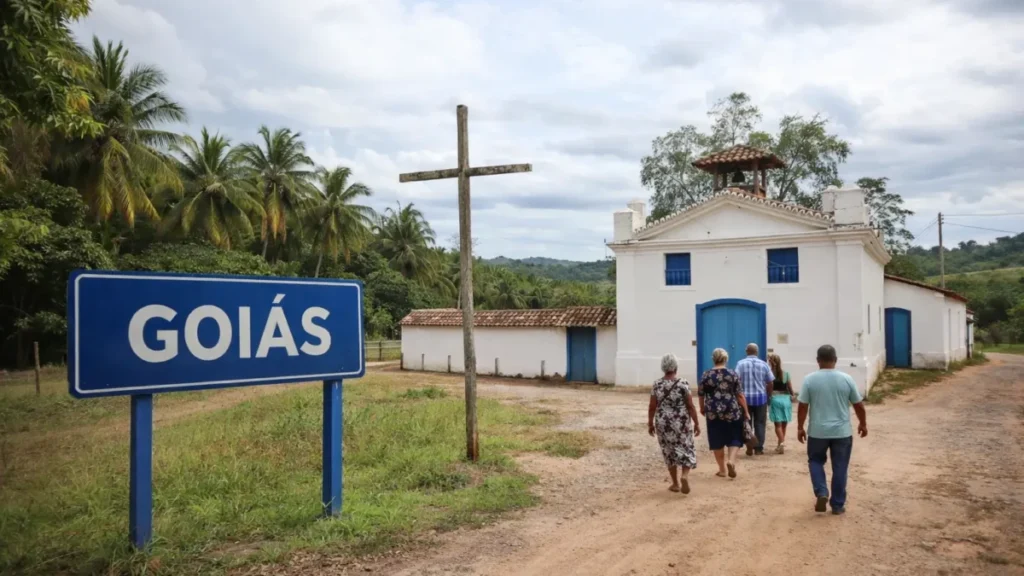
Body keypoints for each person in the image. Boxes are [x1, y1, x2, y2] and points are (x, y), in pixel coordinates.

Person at [797, 344, 868, 515]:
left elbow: (802, 406)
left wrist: (800, 427)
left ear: (817, 361)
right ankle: (837, 504)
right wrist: (862, 423)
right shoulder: (846, 379)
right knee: (840, 467)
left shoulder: (809, 380)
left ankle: (821, 492)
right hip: (842, 432)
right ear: (835, 360)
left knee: (815, 461)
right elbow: (858, 405)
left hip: (817, 431)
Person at [648, 353, 700, 494]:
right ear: (676, 367)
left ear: (663, 367)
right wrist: (697, 423)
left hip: (663, 422)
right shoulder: (683, 383)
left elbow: (652, 406)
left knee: (669, 450)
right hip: (681, 421)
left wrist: (650, 424)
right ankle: (684, 476)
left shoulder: (657, 384)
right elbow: (690, 405)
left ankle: (675, 483)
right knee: (686, 447)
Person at [698, 348, 750, 479]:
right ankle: (731, 461)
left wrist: (702, 408)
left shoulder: (706, 375)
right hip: (731, 410)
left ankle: (722, 469)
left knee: (716, 438)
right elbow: (740, 395)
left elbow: (701, 394)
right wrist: (746, 411)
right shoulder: (732, 374)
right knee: (735, 436)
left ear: (713, 359)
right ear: (726, 359)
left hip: (713, 411)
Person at [735, 343, 775, 456]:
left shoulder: (740, 364)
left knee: (746, 424)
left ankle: (749, 446)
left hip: (745, 400)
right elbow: (770, 382)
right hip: (761, 399)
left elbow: (736, 379)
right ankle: (759, 448)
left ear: (746, 351)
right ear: (757, 352)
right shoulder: (764, 365)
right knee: (760, 423)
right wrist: (768, 395)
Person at [767, 353, 796, 454]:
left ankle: (781, 443)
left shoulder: (769, 374)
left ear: (770, 362)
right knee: (784, 425)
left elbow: (769, 387)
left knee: (777, 425)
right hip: (786, 399)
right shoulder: (786, 374)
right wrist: (793, 396)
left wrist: (769, 396)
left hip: (775, 399)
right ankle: (780, 444)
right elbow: (790, 389)